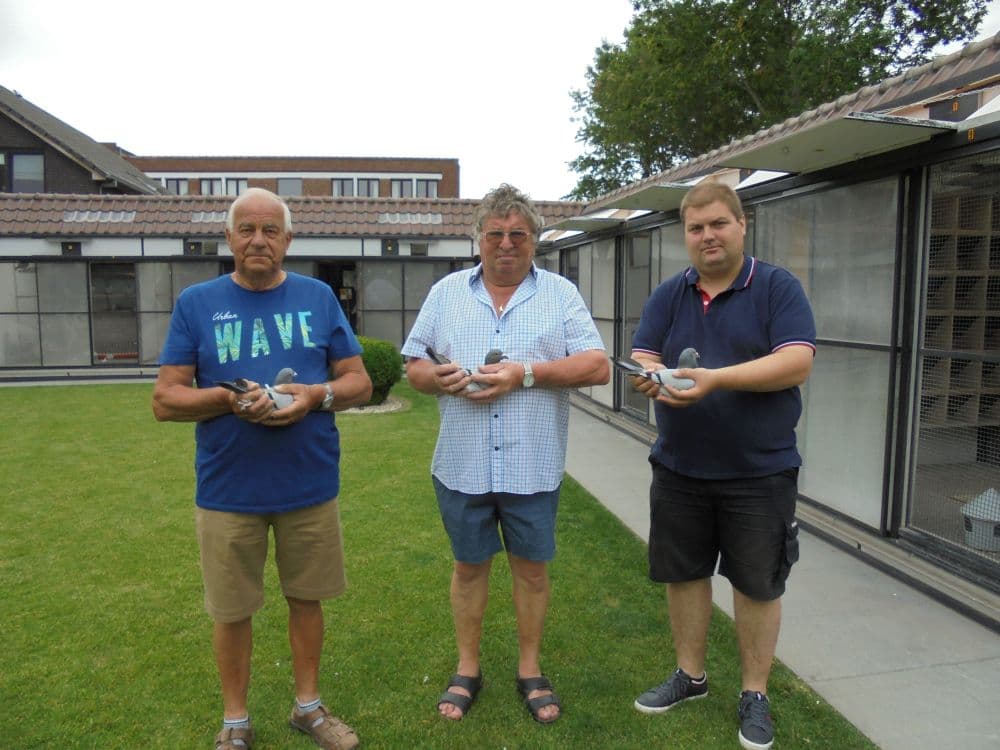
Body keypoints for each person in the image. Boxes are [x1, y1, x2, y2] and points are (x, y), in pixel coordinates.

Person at [152, 188, 372, 750]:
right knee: (231, 610)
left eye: (270, 230)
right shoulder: (197, 303)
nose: (258, 240)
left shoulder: (317, 297)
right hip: (228, 488)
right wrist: (227, 400)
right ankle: (235, 722)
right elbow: (166, 399)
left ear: (288, 240)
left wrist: (313, 396)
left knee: (307, 597)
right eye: (246, 229)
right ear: (228, 238)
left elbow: (359, 382)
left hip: (308, 483)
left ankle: (308, 708)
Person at [402, 183, 609, 724]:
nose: (507, 244)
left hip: (531, 462)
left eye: (518, 233)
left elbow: (597, 365)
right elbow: (414, 365)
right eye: (495, 234)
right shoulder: (447, 293)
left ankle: (530, 669)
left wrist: (526, 374)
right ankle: (467, 668)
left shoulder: (560, 294)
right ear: (478, 239)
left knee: (532, 572)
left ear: (534, 239)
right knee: (469, 568)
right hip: (462, 462)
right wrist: (438, 378)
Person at [627, 180, 815, 750]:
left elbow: (796, 361)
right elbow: (644, 351)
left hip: (759, 472)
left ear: (741, 224)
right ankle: (691, 676)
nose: (707, 236)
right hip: (680, 467)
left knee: (757, 583)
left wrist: (713, 380)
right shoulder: (671, 293)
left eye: (717, 224)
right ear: (685, 235)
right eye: (696, 228)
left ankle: (754, 693)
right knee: (684, 574)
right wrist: (652, 376)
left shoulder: (777, 287)